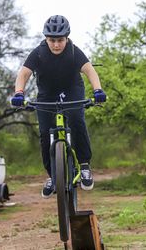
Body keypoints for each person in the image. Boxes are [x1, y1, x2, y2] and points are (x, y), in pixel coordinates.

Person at [11, 15, 106, 198]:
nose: (56, 45)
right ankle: (52, 176)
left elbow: (89, 70)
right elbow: (23, 74)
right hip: (47, 95)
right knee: (45, 134)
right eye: (52, 40)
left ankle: (84, 165)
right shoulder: (38, 52)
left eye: (60, 40)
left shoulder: (73, 51)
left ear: (67, 38)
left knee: (77, 121)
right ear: (46, 38)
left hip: (72, 91)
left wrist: (98, 90)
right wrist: (19, 93)